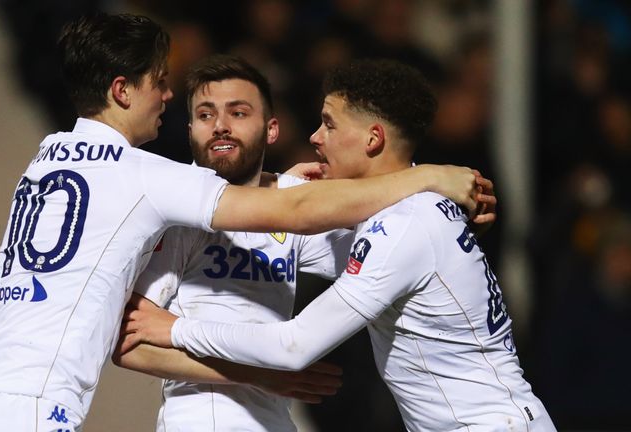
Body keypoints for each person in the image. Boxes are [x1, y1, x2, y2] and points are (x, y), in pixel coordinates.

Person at [121, 59, 556, 431]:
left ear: (371, 139)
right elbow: (130, 342)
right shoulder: (419, 214)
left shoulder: (402, 227)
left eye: (329, 124)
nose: (315, 137)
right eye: (204, 114)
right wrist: (280, 186)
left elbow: (296, 345)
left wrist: (176, 328)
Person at [113, 54, 361, 431]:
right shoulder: (178, 209)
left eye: (239, 113)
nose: (221, 127)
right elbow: (128, 344)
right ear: (191, 129)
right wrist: (256, 374)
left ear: (271, 129)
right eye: (206, 115)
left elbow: (376, 254)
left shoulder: (290, 206)